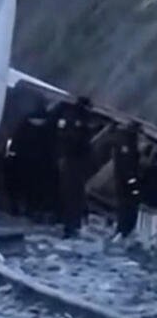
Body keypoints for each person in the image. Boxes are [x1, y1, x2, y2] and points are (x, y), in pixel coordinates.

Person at [55, 97, 93, 238]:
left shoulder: (70, 118)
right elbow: (77, 141)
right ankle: (71, 225)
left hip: (71, 160)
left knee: (71, 193)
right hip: (74, 161)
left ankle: (71, 224)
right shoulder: (78, 121)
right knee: (73, 194)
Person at [112, 122, 141, 240]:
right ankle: (124, 231)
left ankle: (122, 231)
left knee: (124, 206)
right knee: (129, 206)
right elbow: (128, 167)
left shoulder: (123, 142)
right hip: (127, 182)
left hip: (122, 181)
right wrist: (133, 184)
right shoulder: (128, 144)